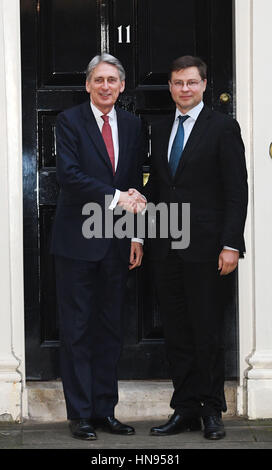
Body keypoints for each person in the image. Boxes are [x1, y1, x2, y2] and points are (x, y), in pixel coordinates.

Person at [144, 55, 248, 440]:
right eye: (177, 83)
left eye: (190, 82)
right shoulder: (158, 128)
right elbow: (157, 188)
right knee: (177, 333)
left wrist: (231, 244)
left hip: (207, 249)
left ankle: (211, 410)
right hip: (166, 247)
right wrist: (140, 235)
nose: (183, 89)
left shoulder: (223, 128)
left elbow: (237, 192)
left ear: (204, 85)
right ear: (170, 87)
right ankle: (185, 408)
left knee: (206, 332)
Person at [50, 53, 146, 440]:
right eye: (98, 80)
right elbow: (69, 176)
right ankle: (81, 414)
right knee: (76, 328)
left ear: (122, 86)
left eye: (112, 80)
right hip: (76, 242)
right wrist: (115, 197)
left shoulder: (133, 124)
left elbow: (139, 181)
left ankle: (105, 410)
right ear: (88, 85)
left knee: (110, 329)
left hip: (119, 243)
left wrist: (138, 234)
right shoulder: (69, 121)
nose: (105, 86)